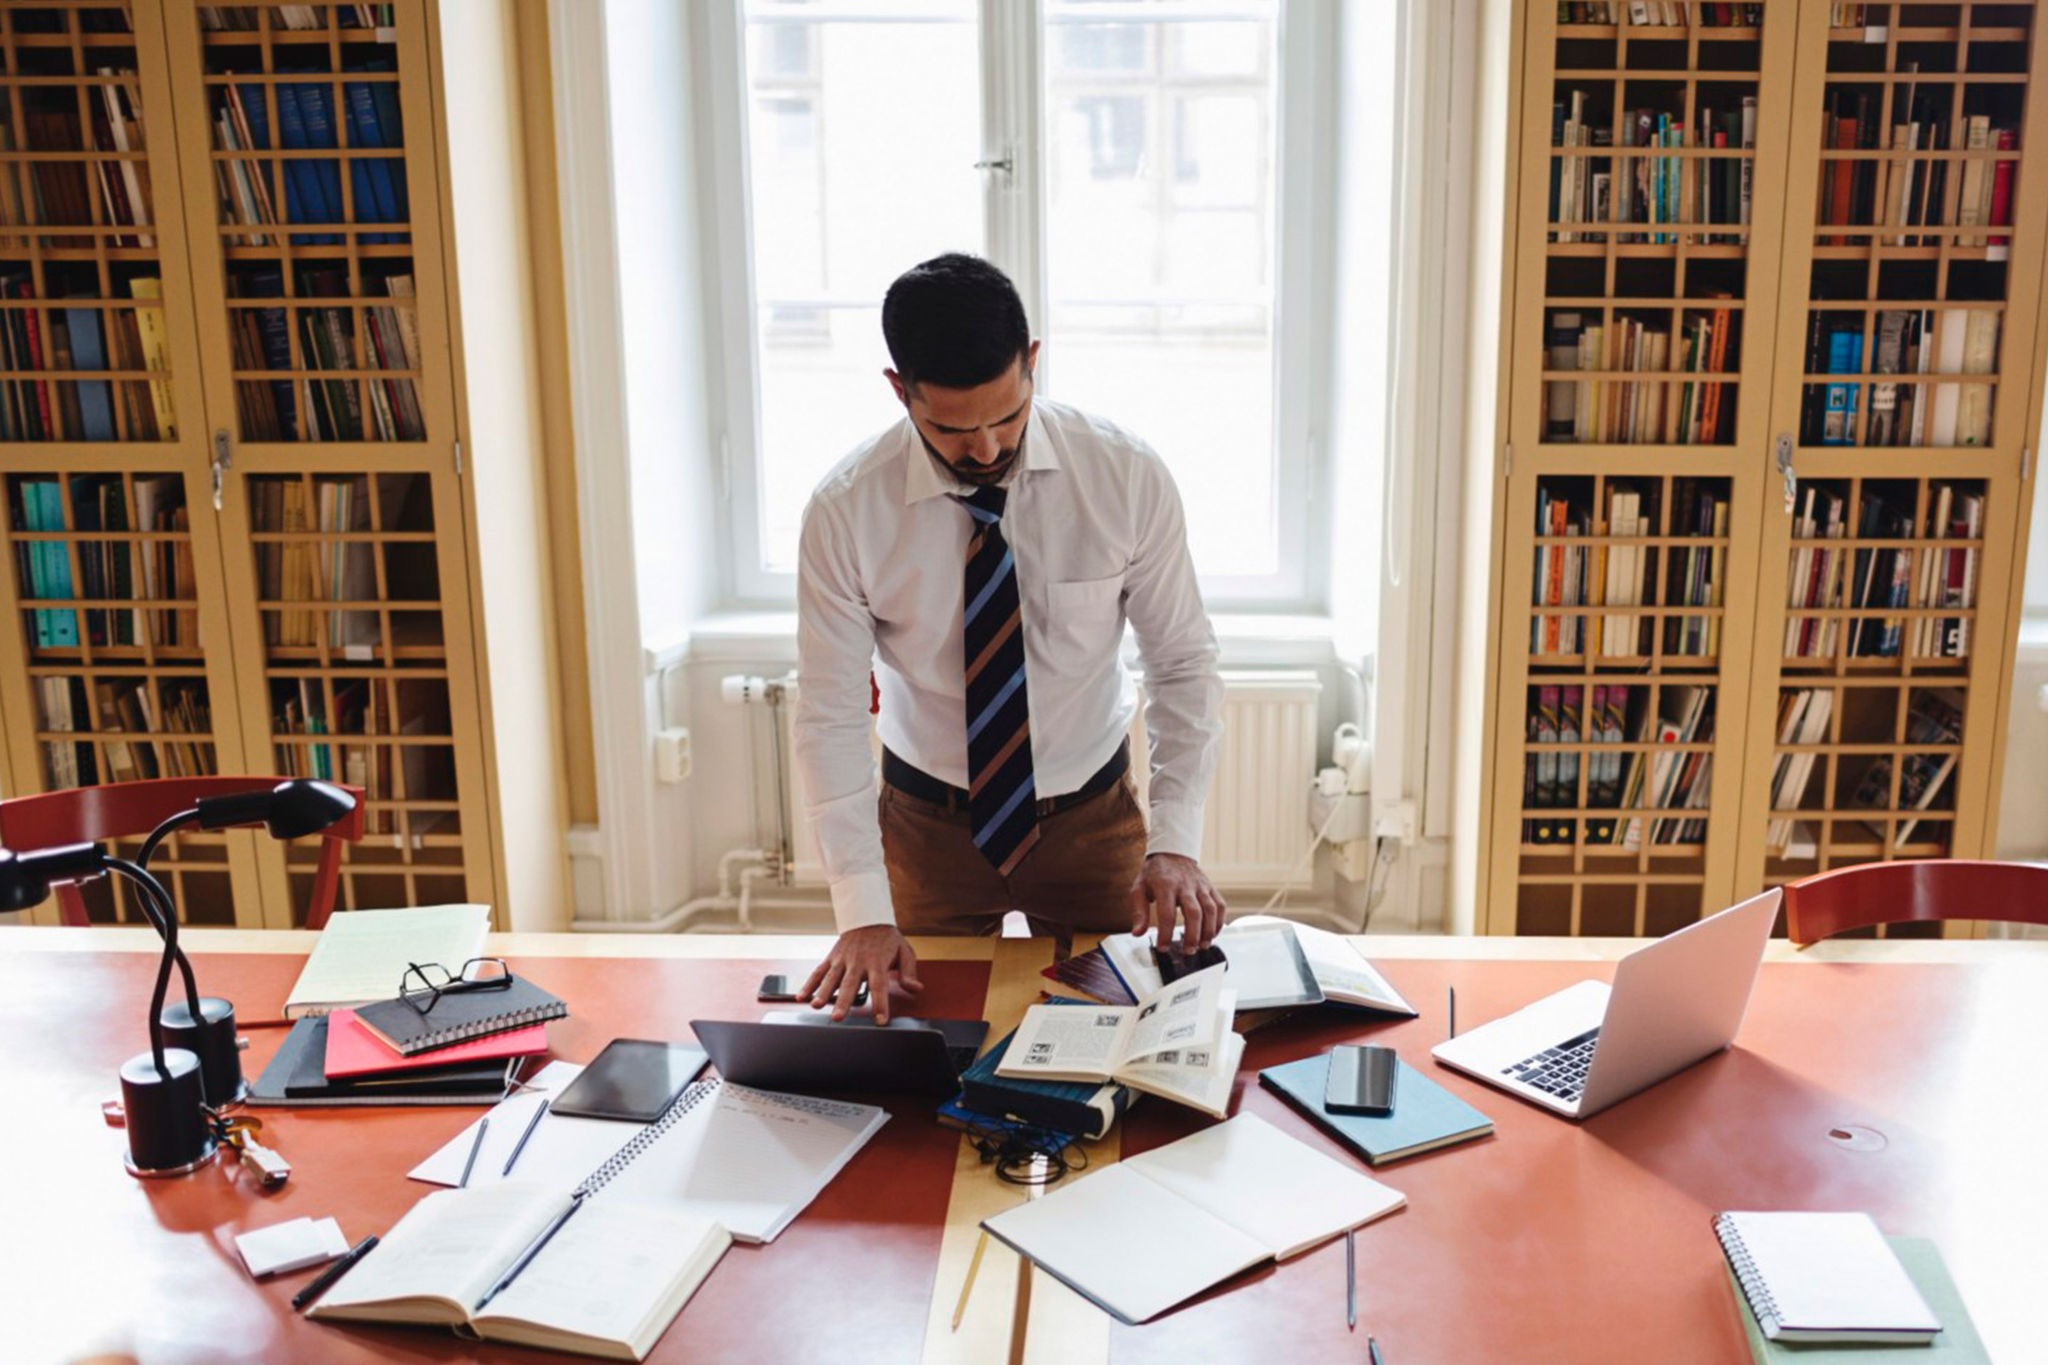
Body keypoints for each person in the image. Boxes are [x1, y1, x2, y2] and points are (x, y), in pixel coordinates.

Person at [793, 253, 1226, 1021]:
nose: (988, 449)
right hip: (926, 829)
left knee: (1124, 1031)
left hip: (1092, 820)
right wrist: (861, 909)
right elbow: (828, 714)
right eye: (952, 428)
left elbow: (1182, 663)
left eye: (1008, 416)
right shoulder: (846, 511)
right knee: (924, 1045)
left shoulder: (1124, 477)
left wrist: (1176, 841)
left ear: (1032, 361)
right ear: (899, 390)